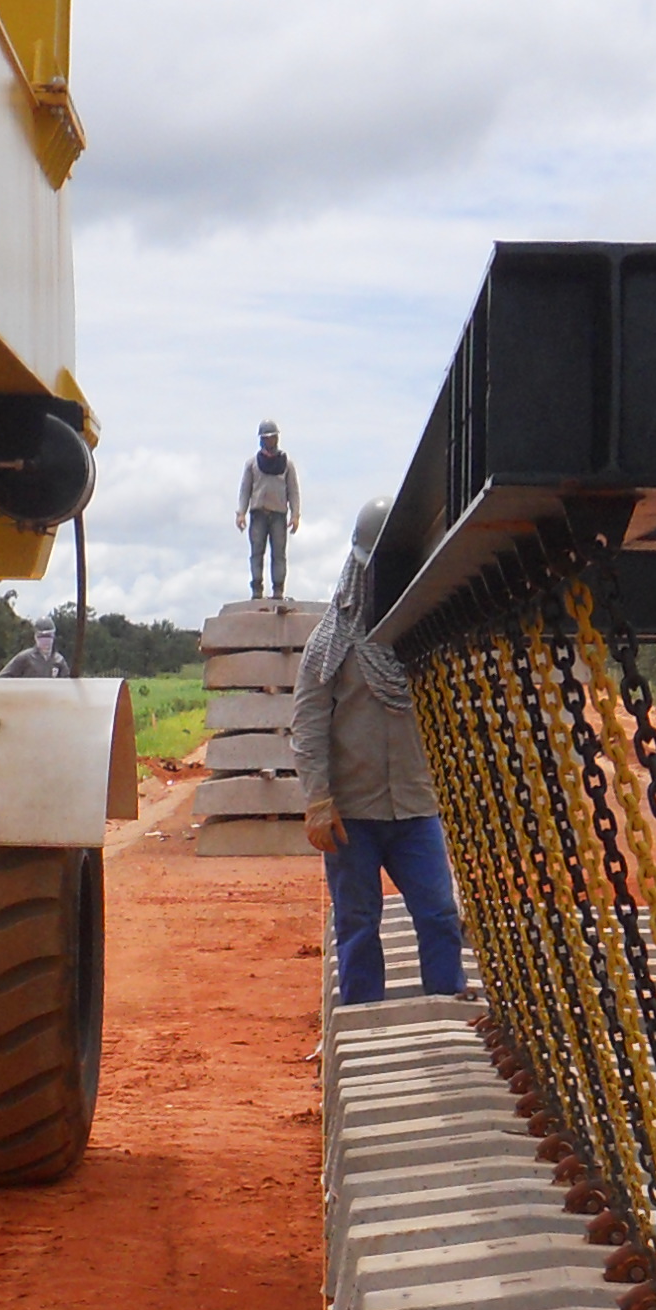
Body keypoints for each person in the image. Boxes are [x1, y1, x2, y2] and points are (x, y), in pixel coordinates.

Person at [292, 502, 465, 1006]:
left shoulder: (428, 639)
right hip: (354, 815)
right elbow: (308, 723)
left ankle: (446, 1010)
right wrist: (319, 798)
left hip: (415, 808)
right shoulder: (330, 645)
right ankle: (363, 1018)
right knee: (358, 923)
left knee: (438, 912)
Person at [237, 422, 300, 601]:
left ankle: (278, 589)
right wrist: (241, 512)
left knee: (279, 554)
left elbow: (293, 490)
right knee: (257, 552)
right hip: (258, 514)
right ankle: (257, 588)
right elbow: (245, 490)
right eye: (267, 438)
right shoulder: (252, 464)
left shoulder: (286, 463)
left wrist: (295, 515)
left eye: (272, 437)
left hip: (279, 514)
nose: (270, 440)